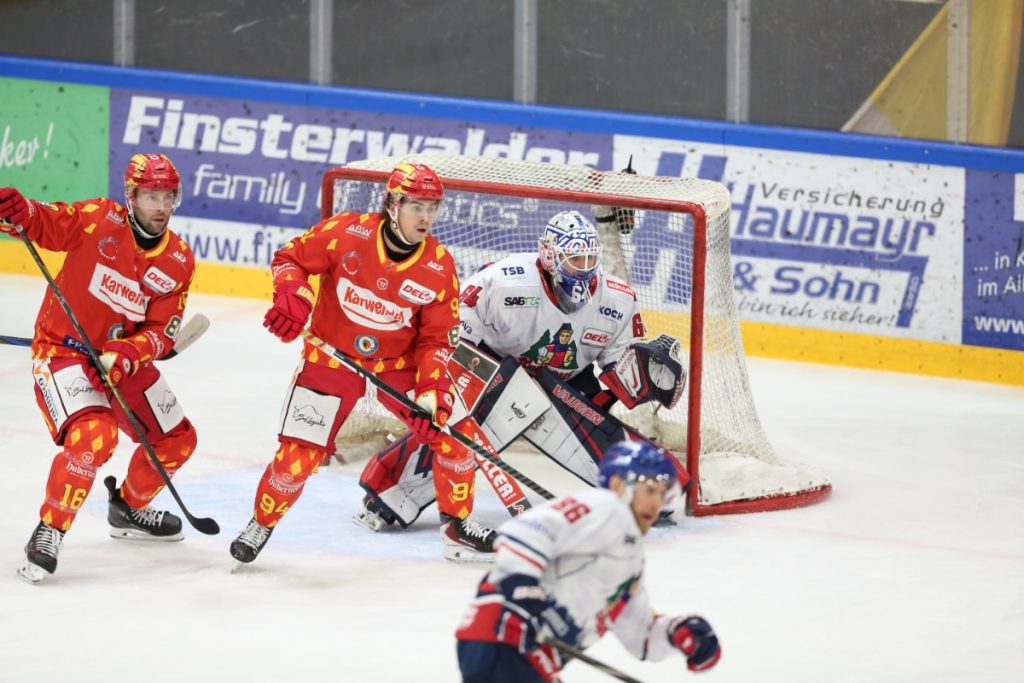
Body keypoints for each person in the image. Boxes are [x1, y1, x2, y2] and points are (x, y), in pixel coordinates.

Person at [355, 210, 686, 538]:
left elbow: (619, 367)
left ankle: (655, 487)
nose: (583, 270)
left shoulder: (617, 299)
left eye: (589, 260)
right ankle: (392, 491)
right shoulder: (504, 282)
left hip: (564, 386)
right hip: (494, 379)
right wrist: (467, 379)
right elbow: (451, 330)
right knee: (466, 421)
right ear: (549, 256)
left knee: (583, 412)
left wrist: (644, 374)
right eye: (574, 260)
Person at [229, 161, 489, 565]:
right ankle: (261, 522)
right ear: (392, 204)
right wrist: (293, 296)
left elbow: (436, 339)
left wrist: (431, 392)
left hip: (396, 367)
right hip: (331, 361)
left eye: (432, 207)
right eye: (416, 206)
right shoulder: (346, 233)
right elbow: (289, 259)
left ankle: (457, 531)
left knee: (457, 436)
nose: (425, 217)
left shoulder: (439, 266)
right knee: (297, 459)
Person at [0, 153, 199, 584]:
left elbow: (164, 331)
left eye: (167, 197)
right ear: (131, 197)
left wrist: (128, 353)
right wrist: (20, 213)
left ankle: (128, 508)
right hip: (65, 353)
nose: (161, 206)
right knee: (96, 436)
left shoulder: (179, 259)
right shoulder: (97, 220)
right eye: (151, 196)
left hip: (120, 363)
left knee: (178, 440)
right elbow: (43, 222)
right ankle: (49, 531)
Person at [454, 440, 721, 682]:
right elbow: (524, 532)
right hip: (506, 637)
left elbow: (641, 635)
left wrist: (677, 633)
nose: (657, 502)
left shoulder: (630, 559)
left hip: (527, 655)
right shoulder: (606, 507)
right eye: (650, 489)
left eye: (663, 494)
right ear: (618, 485)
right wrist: (524, 588)